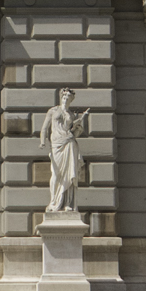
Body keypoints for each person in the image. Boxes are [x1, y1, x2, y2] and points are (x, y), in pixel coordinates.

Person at [41, 87, 90, 215]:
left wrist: (78, 125)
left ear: (71, 100)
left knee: (69, 174)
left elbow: (74, 132)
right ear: (60, 97)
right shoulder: (53, 111)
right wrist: (42, 141)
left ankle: (67, 203)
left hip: (69, 143)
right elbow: (45, 128)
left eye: (68, 98)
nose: (65, 99)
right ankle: (53, 201)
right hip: (56, 144)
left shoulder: (72, 115)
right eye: (63, 97)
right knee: (56, 174)